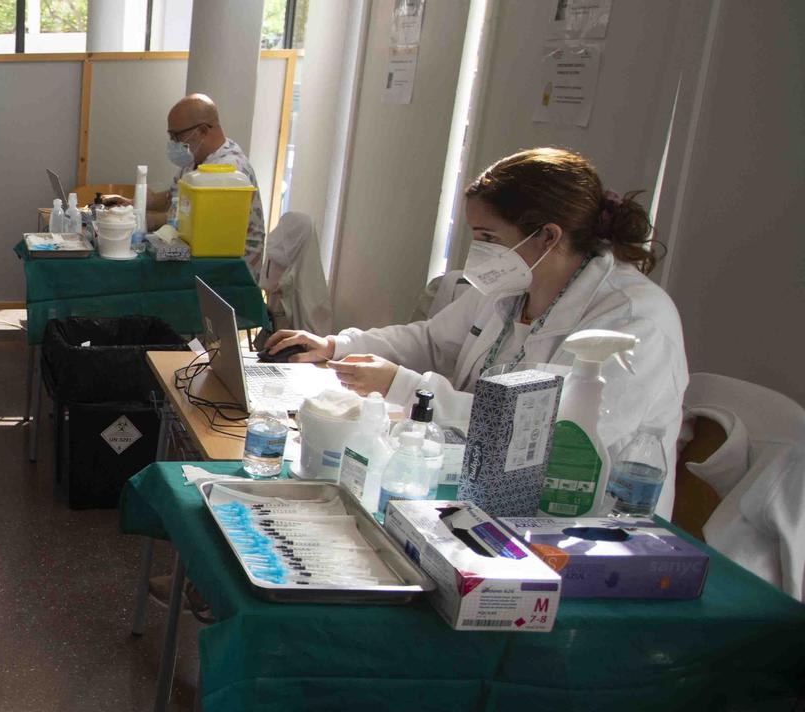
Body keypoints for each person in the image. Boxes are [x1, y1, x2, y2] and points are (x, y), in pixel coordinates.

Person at [264, 147, 688, 514]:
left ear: (548, 236)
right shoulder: (515, 281)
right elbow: (432, 339)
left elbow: (550, 439)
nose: (479, 251)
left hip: (577, 520)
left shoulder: (634, 322)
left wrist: (407, 387)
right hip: (473, 480)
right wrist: (338, 344)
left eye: (488, 236)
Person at [110, 93, 265, 273]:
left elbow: (193, 221)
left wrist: (145, 221)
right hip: (198, 257)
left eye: (177, 136)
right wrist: (137, 203)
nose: (173, 143)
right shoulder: (197, 159)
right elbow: (174, 197)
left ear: (203, 131)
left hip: (229, 271)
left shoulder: (229, 169)